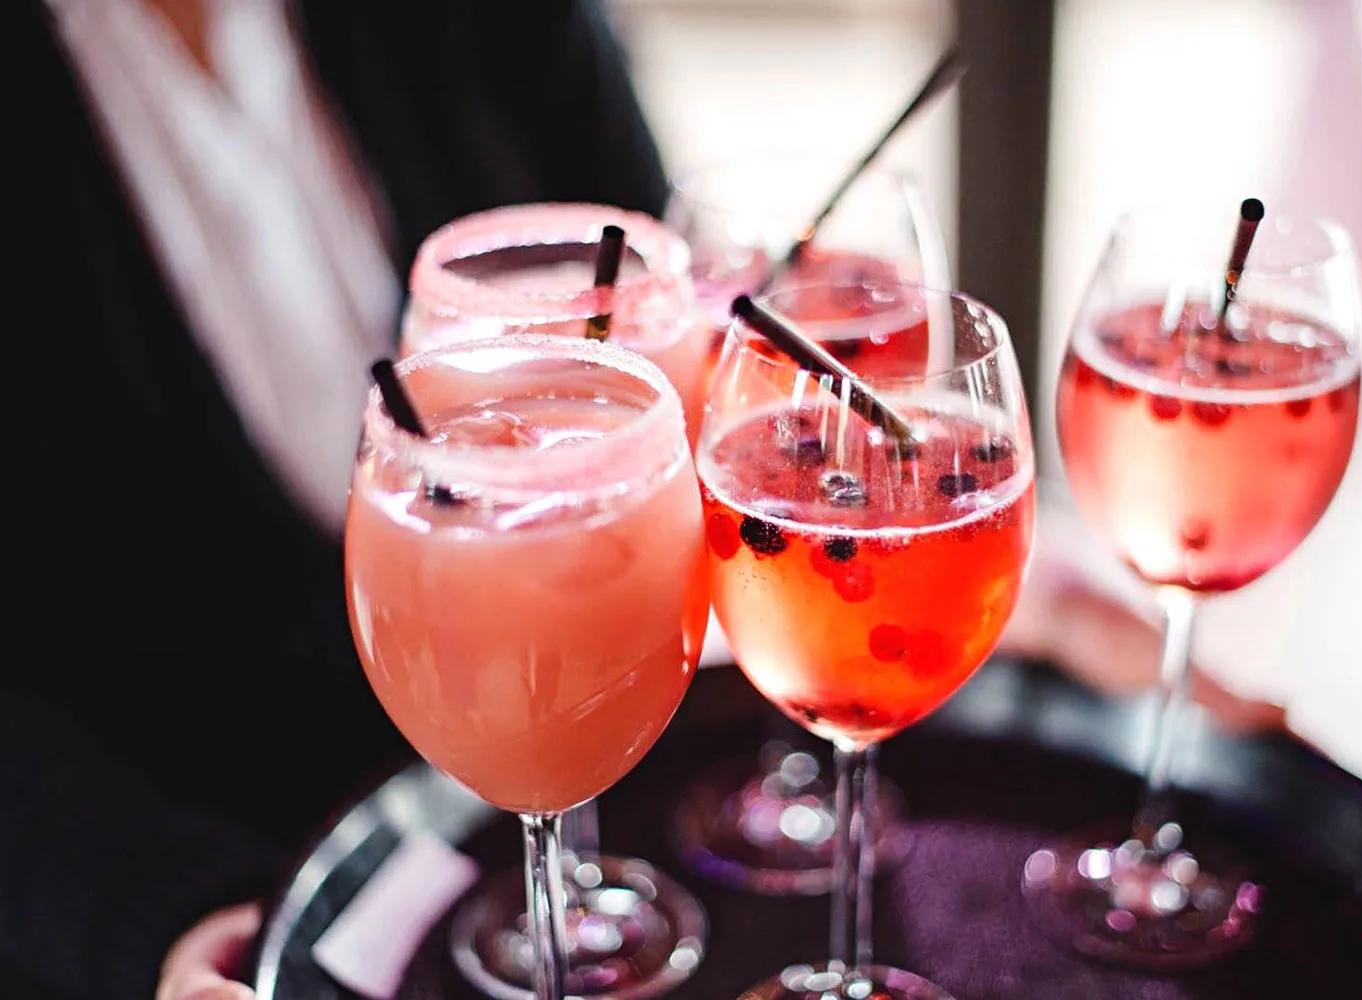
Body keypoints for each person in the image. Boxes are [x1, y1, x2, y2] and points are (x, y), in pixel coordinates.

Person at [1, 3, 1283, 1000]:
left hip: (575, 706)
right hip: (167, 818)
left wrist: (962, 573)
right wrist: (143, 904)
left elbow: (685, 356)